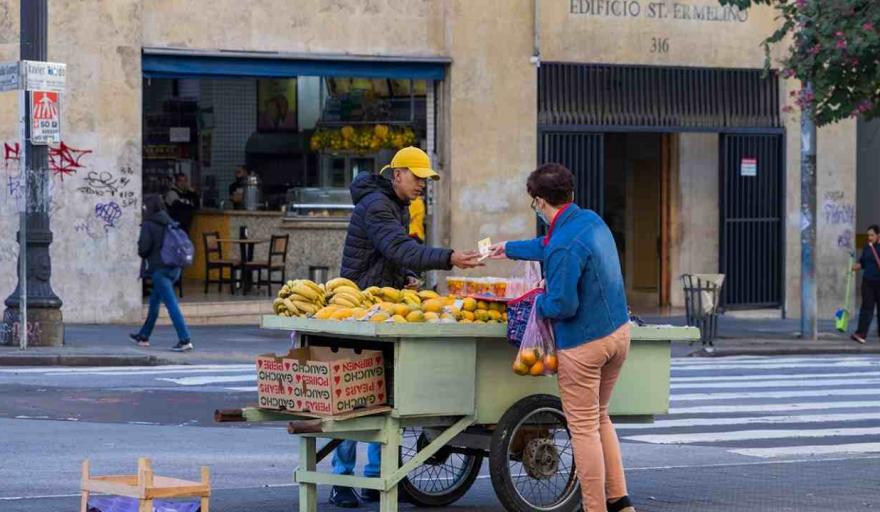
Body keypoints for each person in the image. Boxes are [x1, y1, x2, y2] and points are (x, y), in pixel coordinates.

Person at [330, 147, 483, 508]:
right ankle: (340, 478)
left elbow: (393, 255)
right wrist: (448, 258)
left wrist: (410, 276)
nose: (421, 186)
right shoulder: (377, 206)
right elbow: (397, 248)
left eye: (425, 181)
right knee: (355, 394)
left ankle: (373, 478)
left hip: (382, 307)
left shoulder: (395, 204)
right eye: (417, 178)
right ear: (397, 174)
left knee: (381, 393)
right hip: (359, 308)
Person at [489, 163, 635, 512]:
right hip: (618, 333)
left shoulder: (563, 245)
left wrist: (538, 297)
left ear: (539, 201)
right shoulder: (590, 222)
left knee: (582, 427)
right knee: (600, 418)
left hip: (584, 343)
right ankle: (621, 502)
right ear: (570, 194)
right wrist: (509, 248)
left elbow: (562, 305)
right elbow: (548, 244)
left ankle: (595, 507)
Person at [130, 195, 194, 352]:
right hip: (175, 268)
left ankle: (184, 339)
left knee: (171, 304)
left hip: (160, 270)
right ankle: (144, 336)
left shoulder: (148, 224)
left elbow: (143, 249)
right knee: (154, 303)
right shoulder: (170, 221)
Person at [852, 224, 880, 344]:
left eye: (872, 235)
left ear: (878, 235)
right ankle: (861, 334)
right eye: (868, 235)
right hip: (868, 282)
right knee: (866, 309)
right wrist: (856, 266)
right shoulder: (867, 247)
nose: (869, 237)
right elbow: (863, 262)